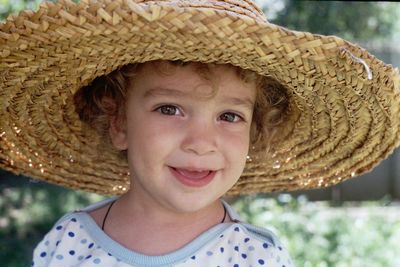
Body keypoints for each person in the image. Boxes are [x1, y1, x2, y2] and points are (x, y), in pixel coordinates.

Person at [0, 0, 399, 266]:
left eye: (229, 116)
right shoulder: (69, 243)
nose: (200, 142)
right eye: (169, 109)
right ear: (120, 122)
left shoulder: (254, 255)